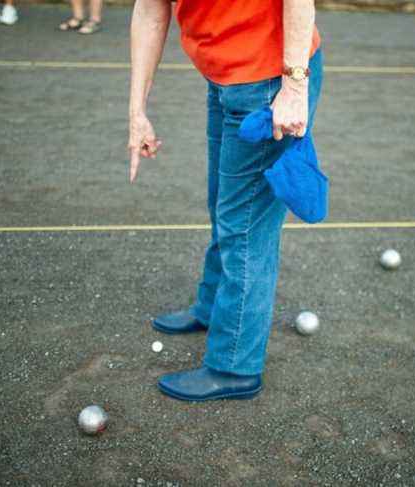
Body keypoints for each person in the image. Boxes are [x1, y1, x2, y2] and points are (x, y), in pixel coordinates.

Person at [128, 0, 322, 402]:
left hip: (270, 82)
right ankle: (214, 306)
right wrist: (137, 112)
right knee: (225, 205)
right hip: (225, 78)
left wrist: (294, 87)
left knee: (246, 224)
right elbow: (150, 9)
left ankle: (234, 365)